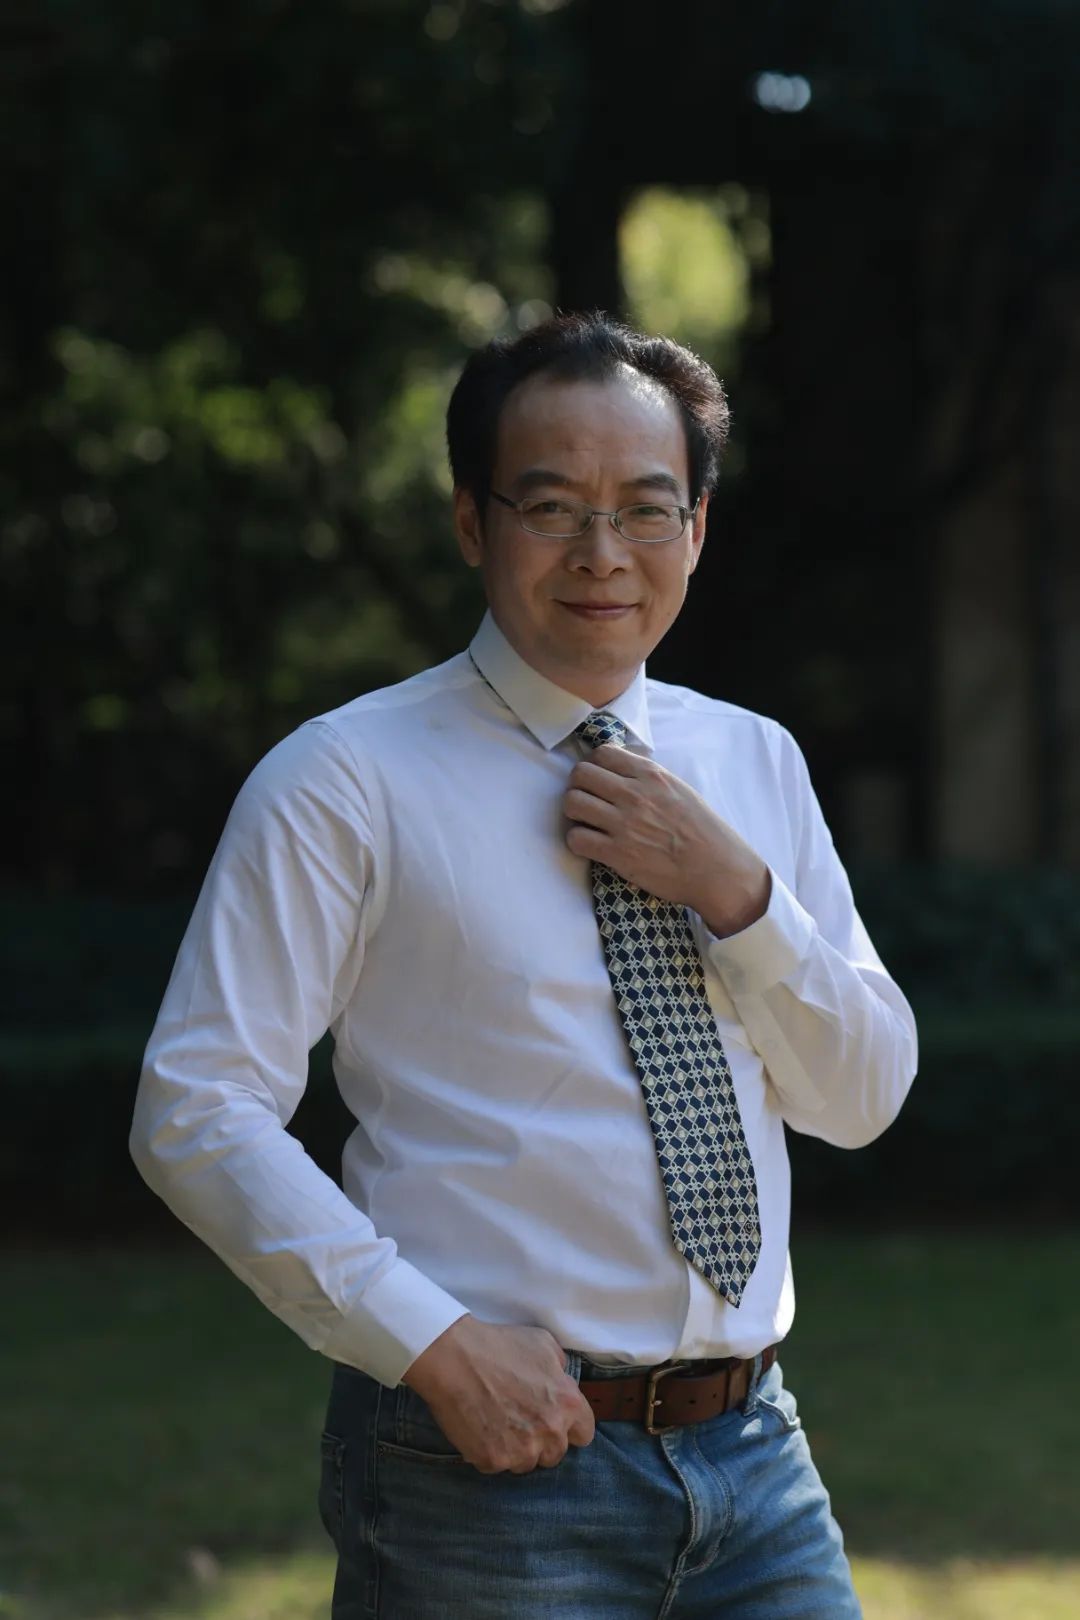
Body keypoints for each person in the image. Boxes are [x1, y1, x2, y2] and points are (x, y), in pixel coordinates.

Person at [131, 311, 917, 1619]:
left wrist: (737, 896)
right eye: (552, 507)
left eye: (646, 509)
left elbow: (863, 1096)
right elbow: (196, 1106)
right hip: (483, 1473)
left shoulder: (753, 762)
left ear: (697, 529)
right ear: (471, 522)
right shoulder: (345, 779)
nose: (604, 553)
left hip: (756, 1457)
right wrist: (431, 1344)